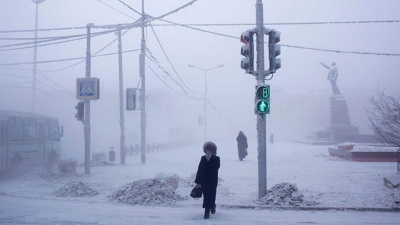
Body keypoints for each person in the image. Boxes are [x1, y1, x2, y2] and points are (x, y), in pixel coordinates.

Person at [195, 141, 220, 219]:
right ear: (205, 150)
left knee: (212, 195)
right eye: (207, 150)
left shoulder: (216, 158)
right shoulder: (203, 158)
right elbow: (199, 169)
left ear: (213, 150)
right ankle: (207, 211)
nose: (208, 151)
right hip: (204, 181)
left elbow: (216, 168)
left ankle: (212, 206)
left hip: (212, 181)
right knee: (206, 196)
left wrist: (211, 159)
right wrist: (198, 181)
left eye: (210, 150)